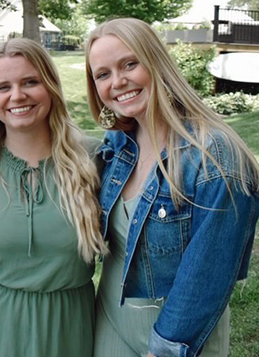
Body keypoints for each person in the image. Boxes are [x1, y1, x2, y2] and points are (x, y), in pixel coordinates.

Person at [86, 18, 259, 357]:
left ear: (156, 62)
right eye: (103, 74)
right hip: (109, 320)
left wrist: (165, 349)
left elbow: (208, 275)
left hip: (180, 340)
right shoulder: (119, 144)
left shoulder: (215, 156)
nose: (118, 82)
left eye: (129, 64)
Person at [0, 38, 107, 356]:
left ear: (50, 87)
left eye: (30, 82)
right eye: (3, 87)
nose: (17, 95)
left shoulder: (94, 159)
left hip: (68, 325)